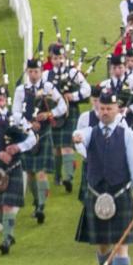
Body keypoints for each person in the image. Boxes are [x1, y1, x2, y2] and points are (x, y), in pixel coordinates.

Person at [72, 89, 133, 265]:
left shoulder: (127, 135)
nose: (105, 112)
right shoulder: (90, 132)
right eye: (102, 109)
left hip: (120, 195)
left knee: (120, 246)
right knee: (103, 246)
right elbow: (79, 136)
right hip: (96, 197)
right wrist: (76, 138)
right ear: (98, 110)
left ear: (118, 110)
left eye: (109, 109)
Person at [0, 84, 39, 255]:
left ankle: (6, 240)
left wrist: (18, 148)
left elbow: (33, 138)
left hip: (13, 167)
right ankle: (8, 233)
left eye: (0, 99)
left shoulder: (18, 118)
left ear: (6, 100)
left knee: (8, 205)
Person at [11, 57, 68, 225]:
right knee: (30, 173)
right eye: (30, 71)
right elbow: (15, 113)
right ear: (27, 72)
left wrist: (48, 114)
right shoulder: (21, 90)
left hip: (43, 133)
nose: (33, 75)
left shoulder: (48, 87)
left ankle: (41, 206)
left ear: (41, 71)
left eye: (36, 71)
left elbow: (62, 107)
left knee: (41, 171)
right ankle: (37, 201)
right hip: (27, 135)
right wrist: (27, 124)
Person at [43, 42, 91, 192]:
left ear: (65, 57)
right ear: (51, 58)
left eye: (61, 57)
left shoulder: (73, 73)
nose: (58, 60)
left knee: (67, 146)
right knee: (56, 148)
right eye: (55, 58)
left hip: (70, 112)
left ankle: (68, 178)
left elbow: (87, 89)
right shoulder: (46, 75)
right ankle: (57, 176)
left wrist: (73, 96)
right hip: (54, 113)